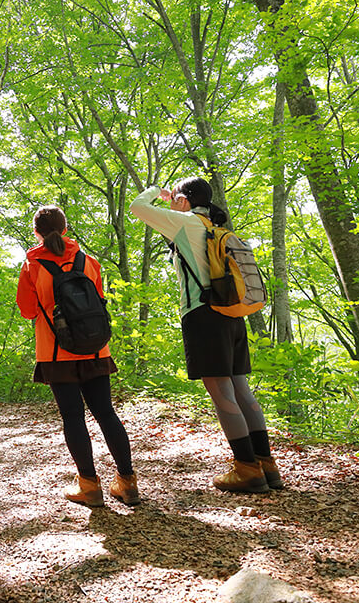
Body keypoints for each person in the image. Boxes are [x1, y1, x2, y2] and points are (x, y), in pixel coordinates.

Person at [129, 178, 284, 493]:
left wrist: (157, 193)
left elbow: (137, 208)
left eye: (175, 197)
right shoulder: (213, 227)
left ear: (184, 200)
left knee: (223, 395)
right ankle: (266, 465)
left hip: (202, 316)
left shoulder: (185, 222)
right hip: (231, 314)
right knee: (242, 390)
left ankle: (246, 470)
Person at [16, 206, 138, 507]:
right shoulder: (89, 262)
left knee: (73, 417)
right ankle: (128, 483)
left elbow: (28, 311)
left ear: (37, 233)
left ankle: (89, 487)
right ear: (66, 230)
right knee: (107, 414)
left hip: (56, 353)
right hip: (96, 349)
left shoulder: (32, 266)